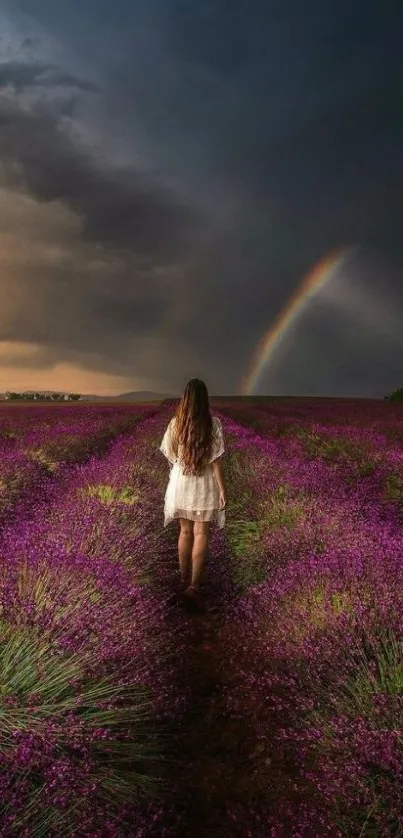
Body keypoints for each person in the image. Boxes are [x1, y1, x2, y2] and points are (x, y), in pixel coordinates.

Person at [159, 379, 227, 602]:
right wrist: (222, 490)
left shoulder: (176, 423)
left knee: (184, 532)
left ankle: (182, 579)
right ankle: (194, 586)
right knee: (201, 534)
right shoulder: (213, 424)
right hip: (204, 482)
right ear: (204, 399)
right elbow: (216, 461)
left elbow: (169, 453)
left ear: (185, 398)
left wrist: (182, 465)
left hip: (181, 481)